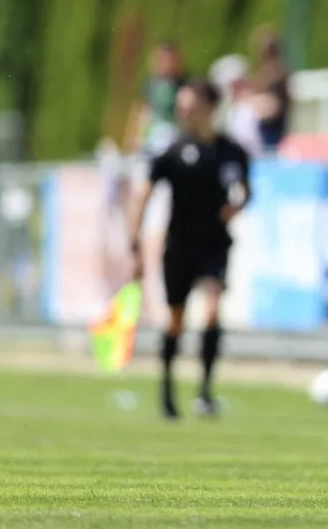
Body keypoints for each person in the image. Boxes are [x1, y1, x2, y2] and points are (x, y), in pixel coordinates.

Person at [128, 80, 251, 420]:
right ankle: (167, 391)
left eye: (190, 106)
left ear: (210, 108)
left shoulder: (232, 151)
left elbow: (245, 190)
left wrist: (236, 207)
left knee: (212, 311)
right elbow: (144, 192)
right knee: (175, 322)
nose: (184, 113)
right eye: (181, 107)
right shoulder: (173, 150)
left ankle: (205, 393)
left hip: (214, 244)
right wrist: (134, 241)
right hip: (179, 246)